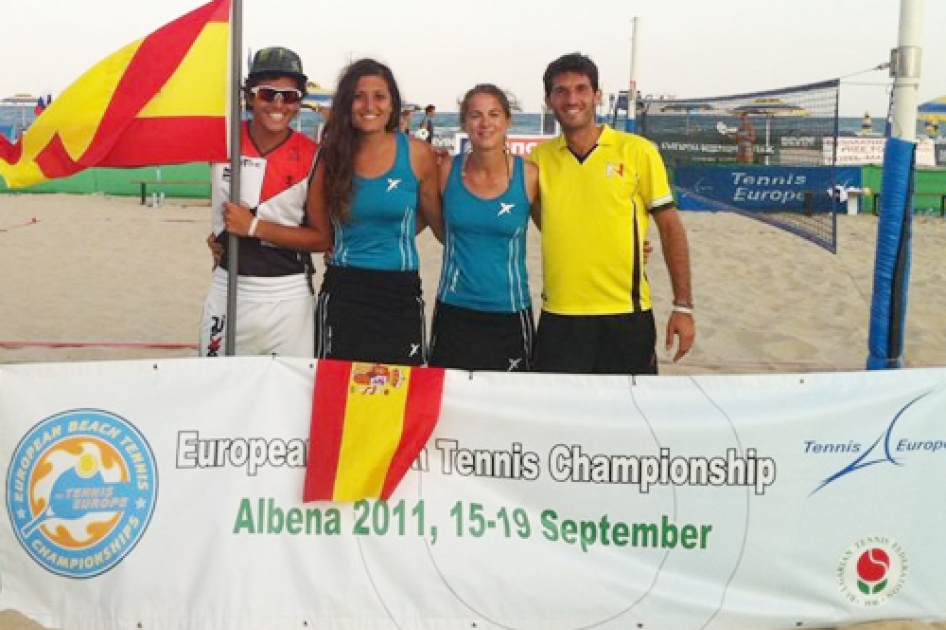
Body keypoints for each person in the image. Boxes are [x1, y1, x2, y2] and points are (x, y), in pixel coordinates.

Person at [529, 52, 695, 375]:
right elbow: (541, 218)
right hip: (559, 314)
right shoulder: (538, 159)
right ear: (549, 100)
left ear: (597, 95)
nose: (571, 99)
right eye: (561, 91)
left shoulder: (638, 151)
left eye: (581, 89)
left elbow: (670, 227)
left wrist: (682, 306)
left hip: (625, 314)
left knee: (631, 420)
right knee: (564, 422)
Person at [306, 58, 443, 366]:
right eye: (358, 96)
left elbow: (438, 224)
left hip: (400, 292)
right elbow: (311, 226)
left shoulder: (418, 154)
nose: (369, 105)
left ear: (393, 104)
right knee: (338, 399)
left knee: (399, 398)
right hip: (344, 290)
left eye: (379, 96)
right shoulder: (331, 157)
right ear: (346, 104)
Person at [199, 46, 327, 357]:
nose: (279, 104)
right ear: (249, 96)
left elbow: (322, 237)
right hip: (228, 287)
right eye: (268, 94)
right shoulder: (220, 140)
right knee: (218, 391)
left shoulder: (313, 155)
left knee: (288, 398)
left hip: (287, 294)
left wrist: (254, 226)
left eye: (291, 96)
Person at [428, 84, 540, 372]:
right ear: (464, 123)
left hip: (510, 312)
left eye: (494, 114)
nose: (485, 123)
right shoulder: (444, 170)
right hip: (454, 310)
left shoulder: (529, 176)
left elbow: (561, 231)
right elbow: (429, 225)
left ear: (507, 121)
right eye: (475, 115)